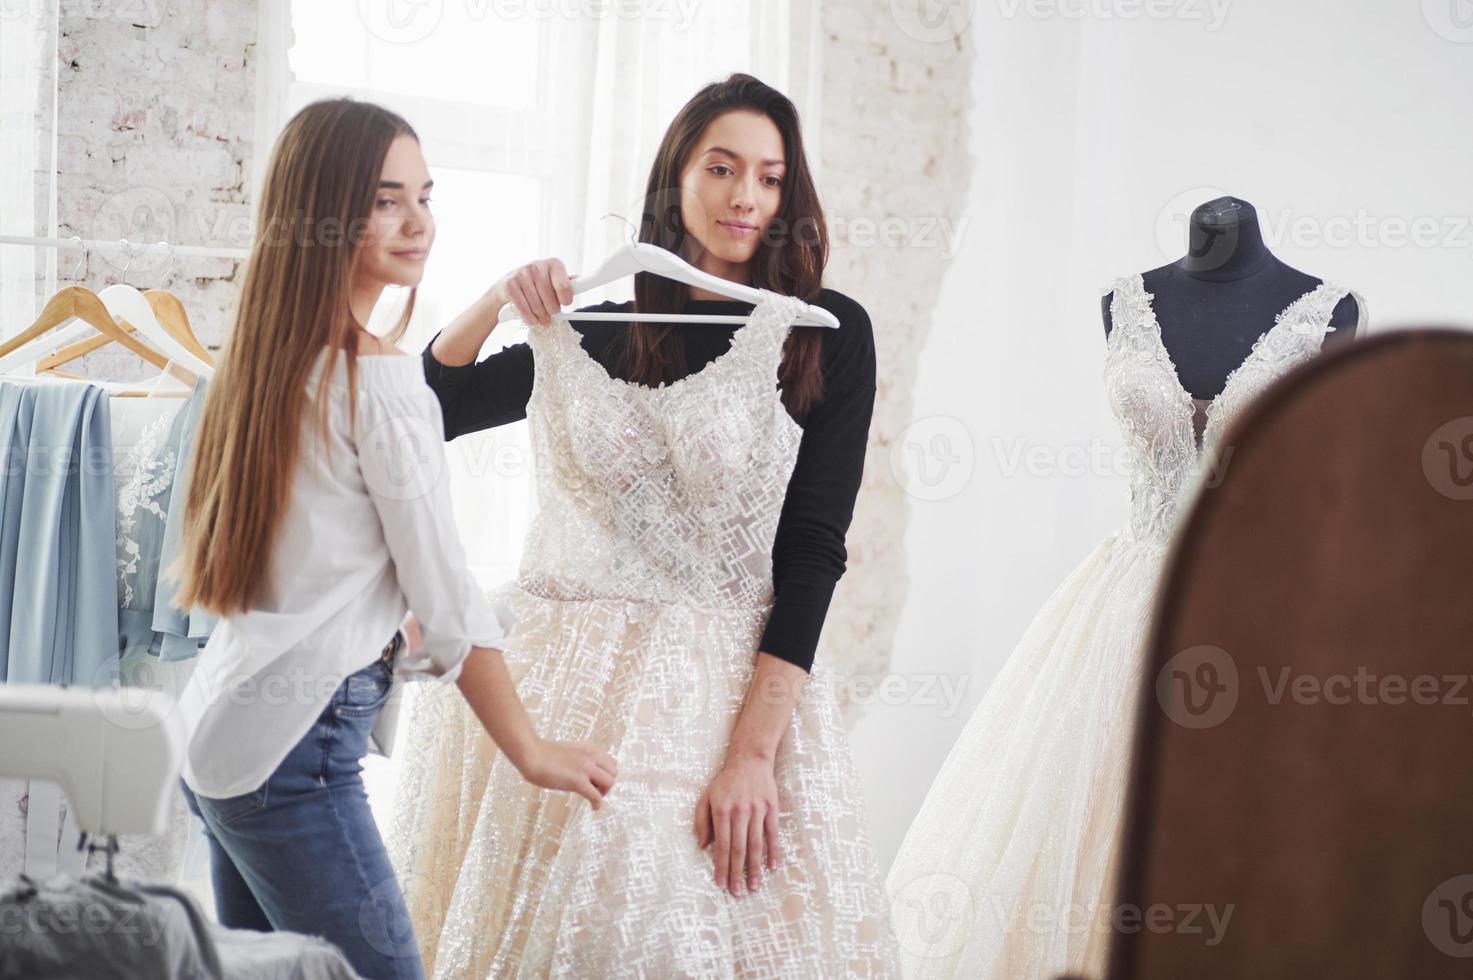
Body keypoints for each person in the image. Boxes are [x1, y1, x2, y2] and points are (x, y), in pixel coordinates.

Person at [168, 98, 618, 980]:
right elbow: (445, 596)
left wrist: (494, 297)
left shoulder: (268, 361)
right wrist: (530, 749)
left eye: (425, 195)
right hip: (288, 758)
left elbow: (323, 560)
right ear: (325, 215)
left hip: (220, 738)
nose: (419, 222)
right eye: (385, 201)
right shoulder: (377, 383)